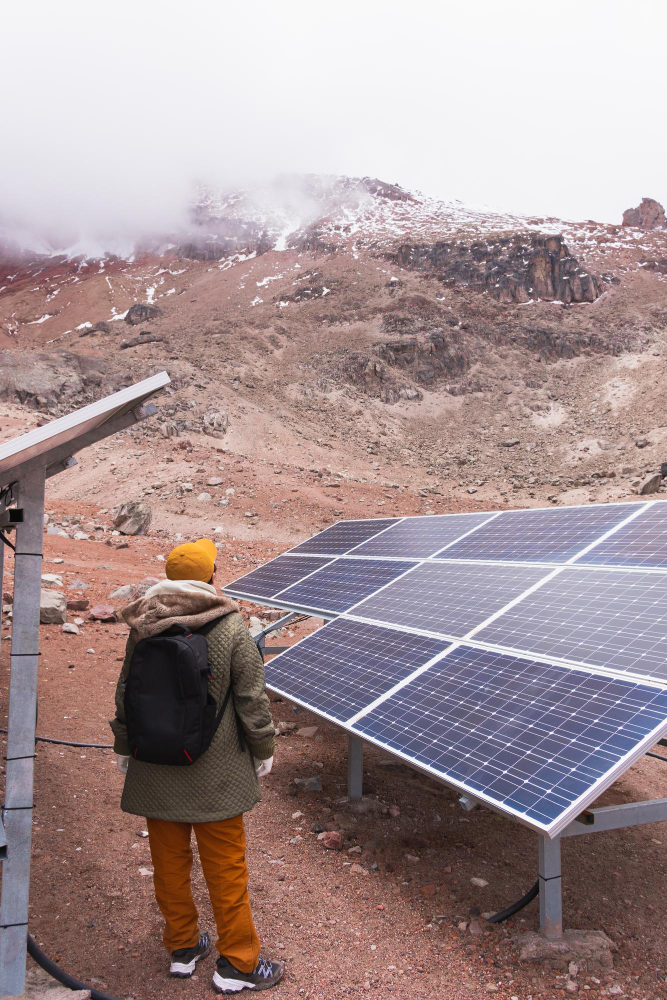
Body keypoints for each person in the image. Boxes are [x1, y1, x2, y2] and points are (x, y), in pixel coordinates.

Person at [110, 537, 284, 994]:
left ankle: (183, 948)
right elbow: (251, 699)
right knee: (226, 869)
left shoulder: (144, 624)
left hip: (155, 766)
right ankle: (239, 966)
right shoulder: (229, 627)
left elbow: (127, 691)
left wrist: (125, 748)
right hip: (216, 772)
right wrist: (263, 748)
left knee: (168, 864)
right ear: (210, 576)